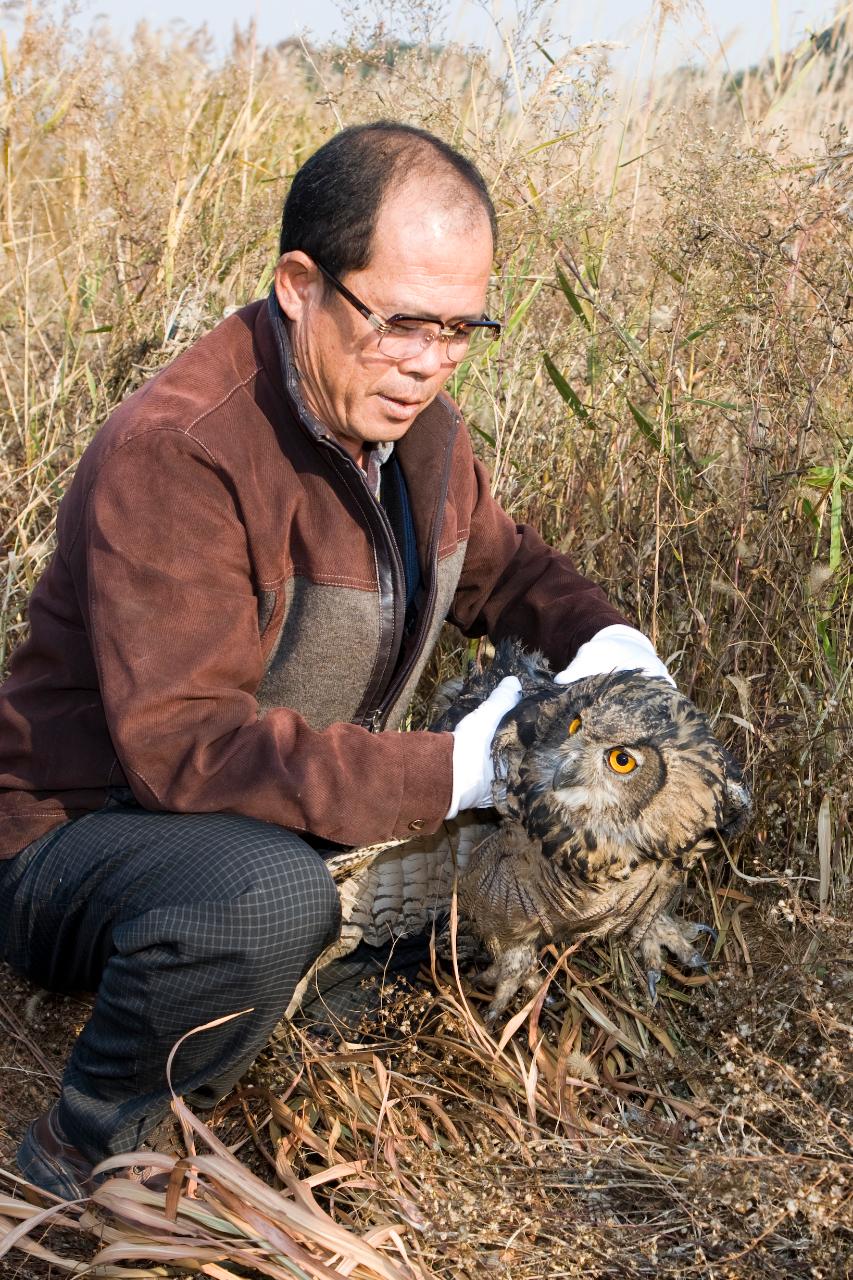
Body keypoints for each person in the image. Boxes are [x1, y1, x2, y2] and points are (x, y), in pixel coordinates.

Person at [0, 122, 671, 1198]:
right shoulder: (181, 447)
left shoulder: (423, 432)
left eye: (461, 329)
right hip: (84, 839)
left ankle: (306, 986)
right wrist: (470, 767)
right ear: (300, 284)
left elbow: (509, 573)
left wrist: (615, 653)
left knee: (601, 813)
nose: (428, 364)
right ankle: (83, 1145)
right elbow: (185, 754)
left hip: (277, 810)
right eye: (402, 322)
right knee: (264, 898)